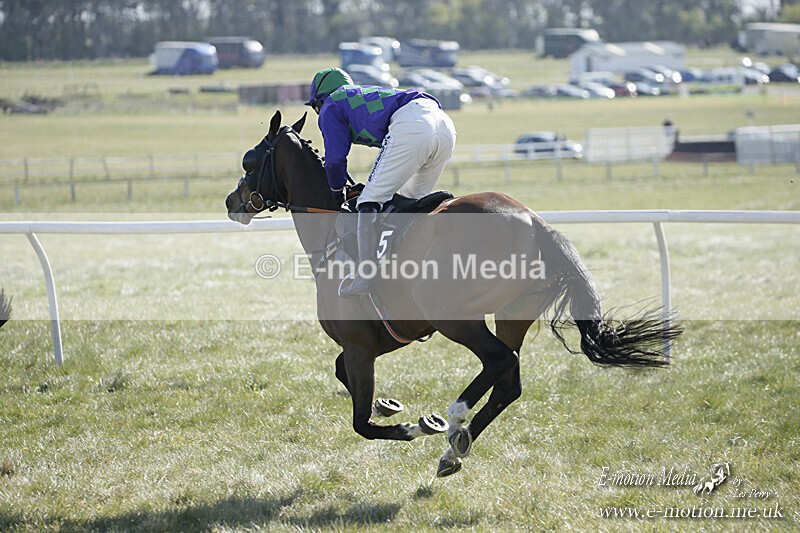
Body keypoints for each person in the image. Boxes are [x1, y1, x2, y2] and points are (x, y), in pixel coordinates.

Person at [306, 67, 457, 299]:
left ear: (319, 100)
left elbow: (335, 160)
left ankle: (365, 275)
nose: (319, 113)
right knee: (407, 203)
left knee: (369, 200)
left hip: (413, 124)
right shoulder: (355, 96)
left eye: (316, 107)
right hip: (445, 125)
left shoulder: (330, 105)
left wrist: (336, 192)